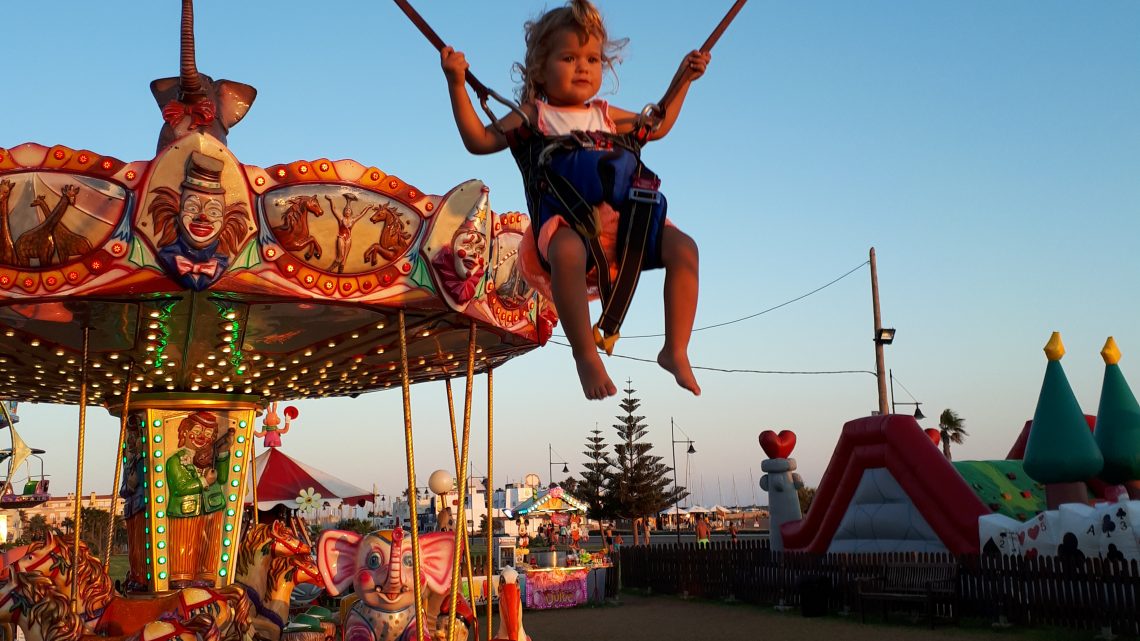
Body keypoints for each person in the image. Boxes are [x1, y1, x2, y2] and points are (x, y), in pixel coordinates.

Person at [441, 0, 709, 400]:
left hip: (626, 223)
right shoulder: (534, 116)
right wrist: (457, 83)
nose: (583, 67)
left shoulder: (605, 115)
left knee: (685, 248)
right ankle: (585, 355)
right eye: (569, 57)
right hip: (567, 222)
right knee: (567, 252)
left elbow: (658, 124)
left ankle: (675, 349)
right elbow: (479, 140)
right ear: (540, 70)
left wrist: (683, 79)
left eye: (592, 58)